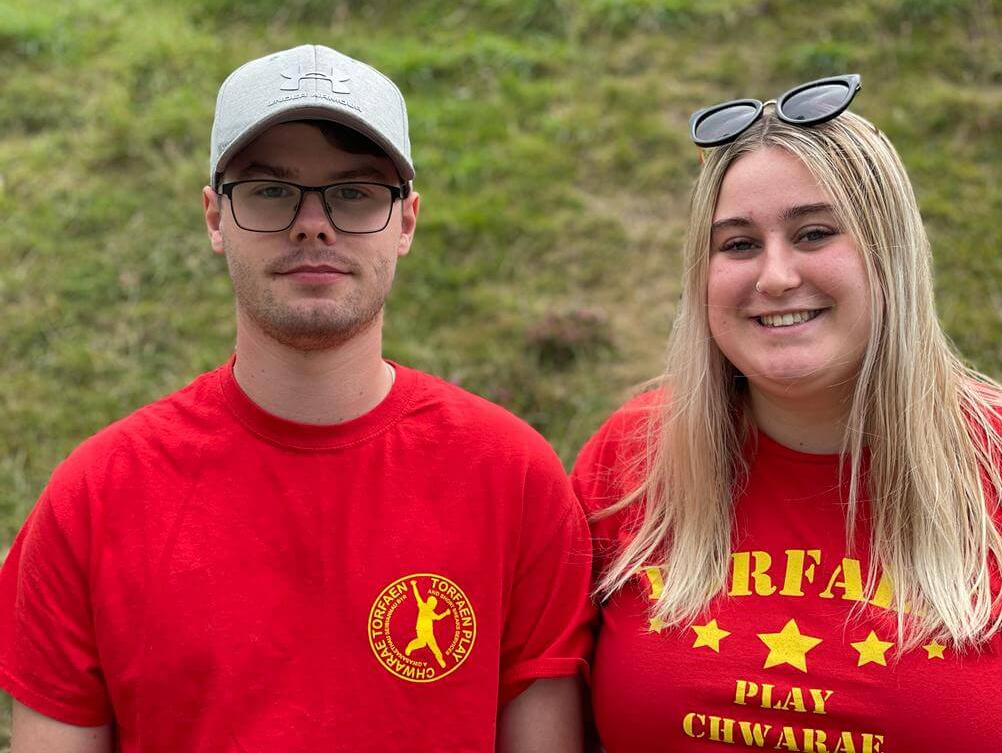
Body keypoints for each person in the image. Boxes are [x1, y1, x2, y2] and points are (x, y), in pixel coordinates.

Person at [0, 44, 593, 752]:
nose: (313, 223)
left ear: (405, 222)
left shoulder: (513, 478)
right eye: (271, 191)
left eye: (354, 192)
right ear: (215, 218)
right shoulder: (95, 499)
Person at [572, 75, 1002, 751]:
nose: (776, 277)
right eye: (739, 245)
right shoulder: (634, 457)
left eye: (814, 234)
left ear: (889, 255)